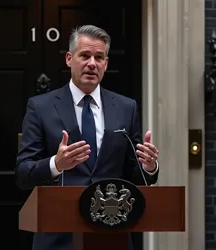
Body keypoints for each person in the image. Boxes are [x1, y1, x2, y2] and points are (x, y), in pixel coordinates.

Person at [15, 24, 159, 250]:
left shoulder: (126, 108)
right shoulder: (40, 107)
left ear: (106, 64)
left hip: (112, 236)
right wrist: (56, 164)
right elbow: (23, 174)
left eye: (99, 57)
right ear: (69, 59)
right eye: (85, 55)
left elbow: (134, 176)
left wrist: (149, 167)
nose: (92, 63)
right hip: (58, 238)